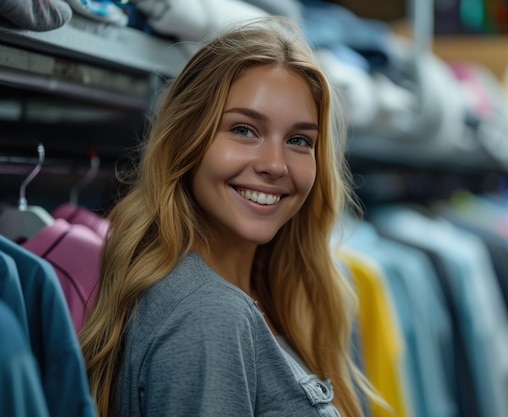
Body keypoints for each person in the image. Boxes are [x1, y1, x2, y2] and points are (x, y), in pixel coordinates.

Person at [79, 16, 376, 417]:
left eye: (299, 140)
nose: (275, 164)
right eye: (244, 130)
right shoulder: (210, 316)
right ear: (188, 138)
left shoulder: (266, 298)